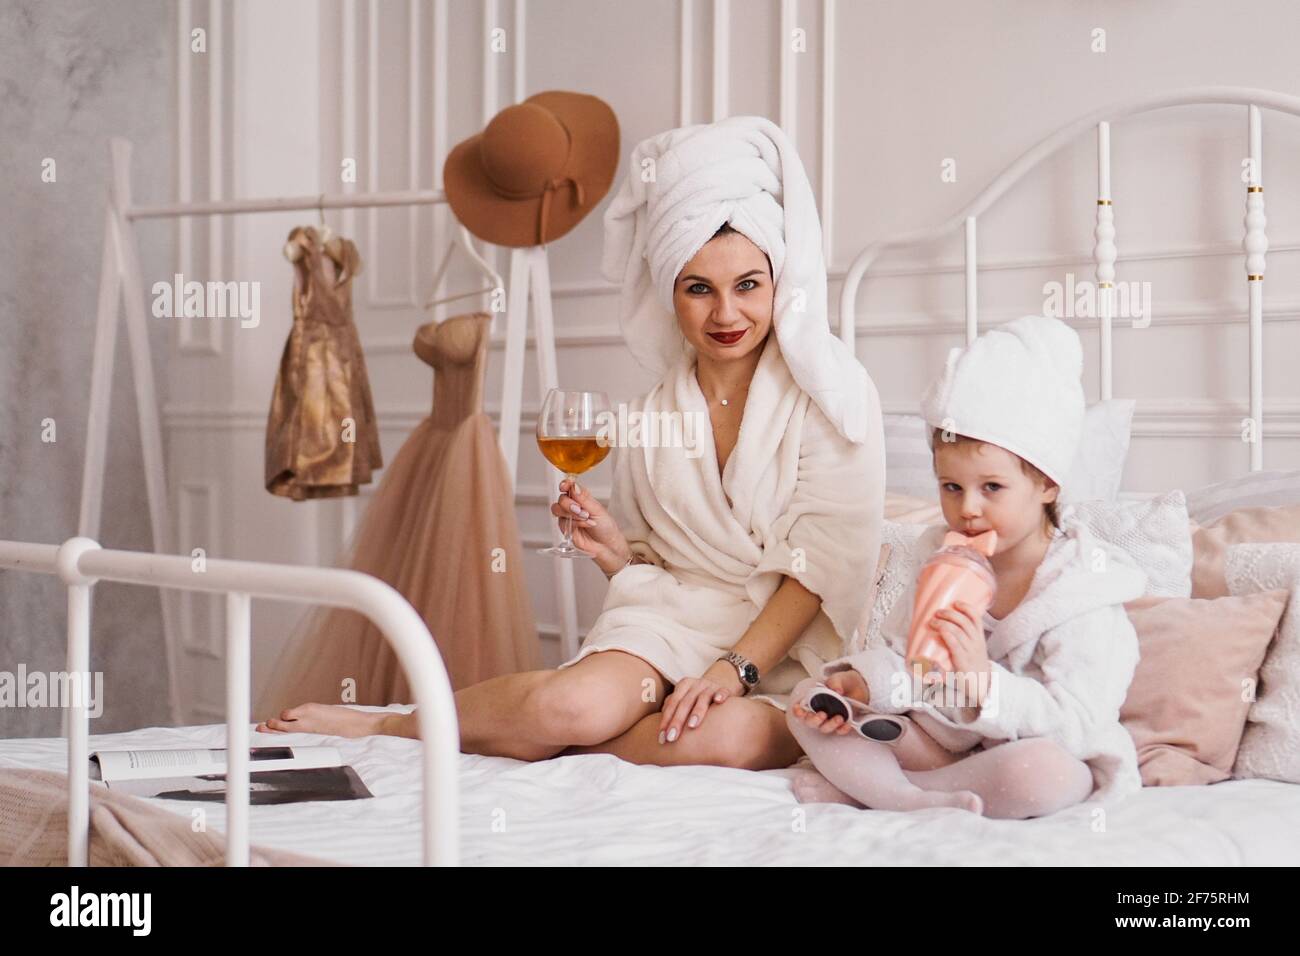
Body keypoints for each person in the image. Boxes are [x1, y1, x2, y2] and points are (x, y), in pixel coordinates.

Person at [258, 116, 887, 772]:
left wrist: (732, 672)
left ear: (778, 281)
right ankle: (391, 722)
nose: (726, 314)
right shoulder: (654, 410)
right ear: (670, 292)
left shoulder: (833, 397)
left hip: (786, 653)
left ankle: (563, 745)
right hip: (672, 624)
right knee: (568, 708)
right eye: (698, 288)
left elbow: (816, 571)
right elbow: (658, 564)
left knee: (724, 740)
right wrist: (619, 555)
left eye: (747, 285)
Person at [787, 315, 1148, 818]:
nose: (968, 508)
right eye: (951, 487)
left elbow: (1080, 722)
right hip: (934, 737)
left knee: (1046, 775)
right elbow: (905, 660)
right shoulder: (938, 554)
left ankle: (876, 791)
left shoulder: (1082, 589)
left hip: (1020, 752)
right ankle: (909, 796)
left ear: (1047, 484)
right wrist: (864, 683)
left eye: (992, 488)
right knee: (808, 701)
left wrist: (984, 682)